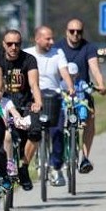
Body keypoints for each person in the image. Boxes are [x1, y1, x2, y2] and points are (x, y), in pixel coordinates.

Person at [0, 28, 42, 191]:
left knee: (35, 131)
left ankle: (24, 167)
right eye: (10, 44)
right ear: (3, 44)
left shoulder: (29, 59)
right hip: (3, 103)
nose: (13, 47)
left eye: (17, 44)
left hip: (25, 103)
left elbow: (34, 84)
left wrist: (38, 102)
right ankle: (2, 169)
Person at [24, 26, 75, 187]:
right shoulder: (28, 54)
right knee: (31, 130)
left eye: (52, 38)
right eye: (48, 39)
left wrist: (70, 87)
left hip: (53, 96)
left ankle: (56, 166)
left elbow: (64, 72)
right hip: (34, 97)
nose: (52, 42)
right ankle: (26, 163)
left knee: (58, 131)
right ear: (37, 39)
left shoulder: (58, 53)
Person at [55, 18, 106, 173]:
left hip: (81, 93)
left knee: (90, 119)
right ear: (66, 32)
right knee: (55, 121)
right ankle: (57, 155)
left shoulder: (89, 48)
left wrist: (101, 84)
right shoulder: (58, 48)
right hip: (62, 93)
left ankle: (84, 157)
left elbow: (95, 68)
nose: (75, 34)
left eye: (79, 31)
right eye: (72, 31)